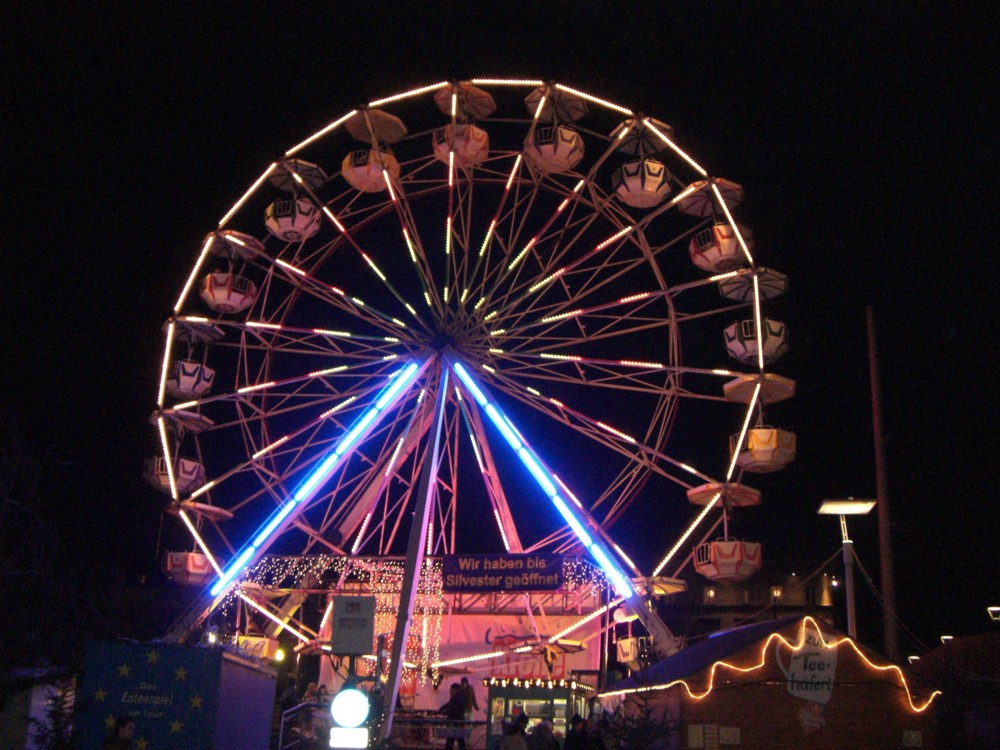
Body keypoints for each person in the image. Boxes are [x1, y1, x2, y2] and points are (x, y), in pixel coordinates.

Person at [439, 683, 469, 750]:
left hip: (456, 722)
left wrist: (445, 711)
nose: (450, 690)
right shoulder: (457, 697)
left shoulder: (457, 698)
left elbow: (453, 708)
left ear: (455, 690)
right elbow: (450, 705)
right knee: (458, 740)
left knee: (454, 739)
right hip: (457, 722)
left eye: (451, 689)